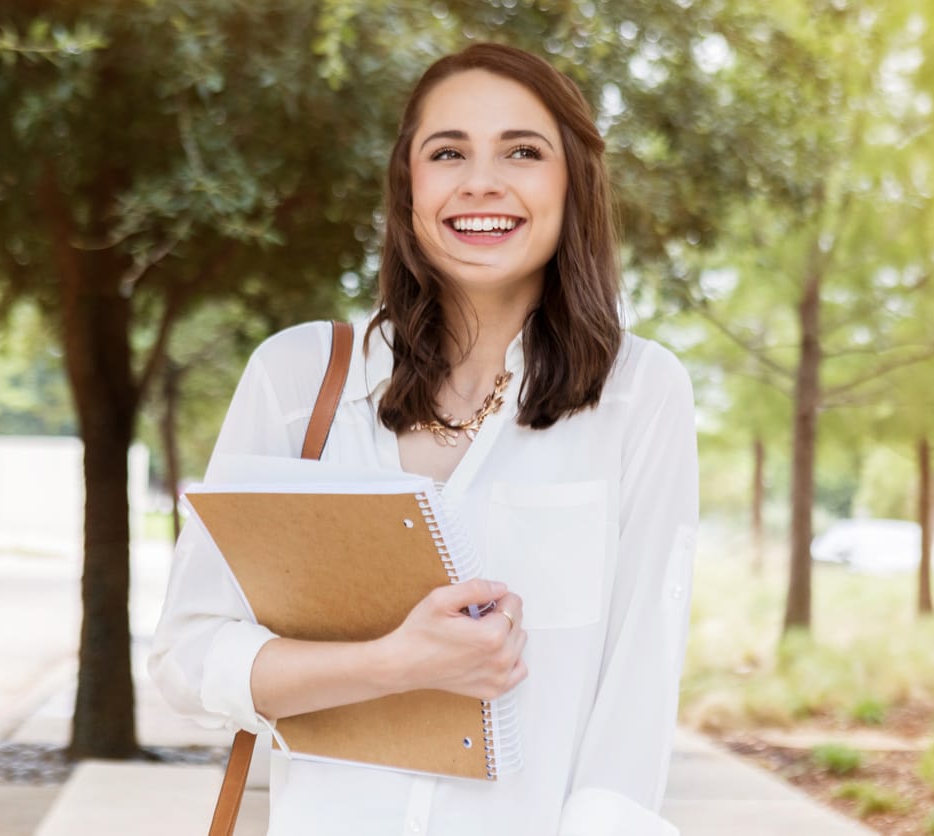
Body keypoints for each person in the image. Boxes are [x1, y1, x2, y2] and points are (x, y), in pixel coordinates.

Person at [149, 42, 698, 836]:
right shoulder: (297, 378)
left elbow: (636, 702)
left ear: (573, 182)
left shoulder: (639, 393)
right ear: (408, 186)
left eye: (522, 151)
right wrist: (391, 665)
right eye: (448, 152)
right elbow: (187, 654)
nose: (483, 181)